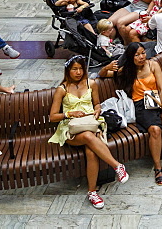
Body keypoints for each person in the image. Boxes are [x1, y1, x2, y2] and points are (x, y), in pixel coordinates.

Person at [49, 55, 129, 208]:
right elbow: (52, 117)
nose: (78, 72)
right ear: (68, 71)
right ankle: (117, 166)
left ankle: (92, 192)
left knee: (91, 151)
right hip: (71, 128)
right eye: (74, 69)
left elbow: (97, 104)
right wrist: (69, 113)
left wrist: (97, 110)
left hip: (91, 123)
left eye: (80, 69)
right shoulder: (62, 89)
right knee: (87, 136)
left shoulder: (91, 83)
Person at [101, 42, 162, 187]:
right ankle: (157, 167)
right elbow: (103, 75)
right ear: (131, 57)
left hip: (158, 99)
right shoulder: (127, 70)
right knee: (155, 130)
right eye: (137, 55)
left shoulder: (153, 65)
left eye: (143, 53)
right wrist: (106, 68)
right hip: (141, 105)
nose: (141, 57)